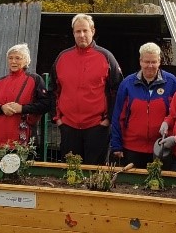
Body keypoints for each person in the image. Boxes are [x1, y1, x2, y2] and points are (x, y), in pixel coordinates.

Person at [50, 13, 122, 165]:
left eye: (85, 31)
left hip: (97, 127)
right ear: (73, 33)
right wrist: (58, 119)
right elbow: (53, 90)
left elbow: (117, 91)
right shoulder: (62, 58)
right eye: (78, 31)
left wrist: (108, 119)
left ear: (93, 31)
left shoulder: (106, 57)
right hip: (68, 126)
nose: (81, 35)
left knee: (95, 175)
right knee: (70, 175)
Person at [110, 43, 176, 168]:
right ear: (140, 61)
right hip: (132, 148)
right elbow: (118, 117)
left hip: (162, 147)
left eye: (154, 62)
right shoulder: (127, 84)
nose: (150, 66)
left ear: (159, 61)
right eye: (146, 61)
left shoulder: (172, 82)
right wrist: (116, 145)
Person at [0, 43, 50, 151]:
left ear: (26, 61)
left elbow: (45, 104)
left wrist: (22, 108)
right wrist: (2, 108)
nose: (13, 61)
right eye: (10, 58)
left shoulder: (34, 80)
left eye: (18, 58)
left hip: (24, 142)